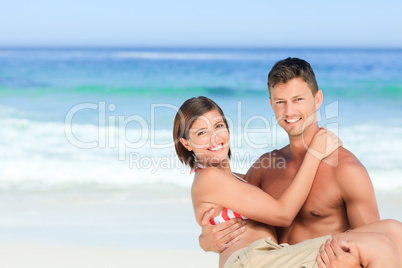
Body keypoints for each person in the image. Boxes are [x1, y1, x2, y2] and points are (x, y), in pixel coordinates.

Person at [197, 58, 393, 265]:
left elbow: (374, 244)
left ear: (317, 100)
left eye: (298, 99)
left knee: (393, 233)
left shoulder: (346, 171)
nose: (289, 112)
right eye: (281, 102)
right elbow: (231, 205)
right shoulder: (267, 167)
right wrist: (205, 240)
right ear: (271, 104)